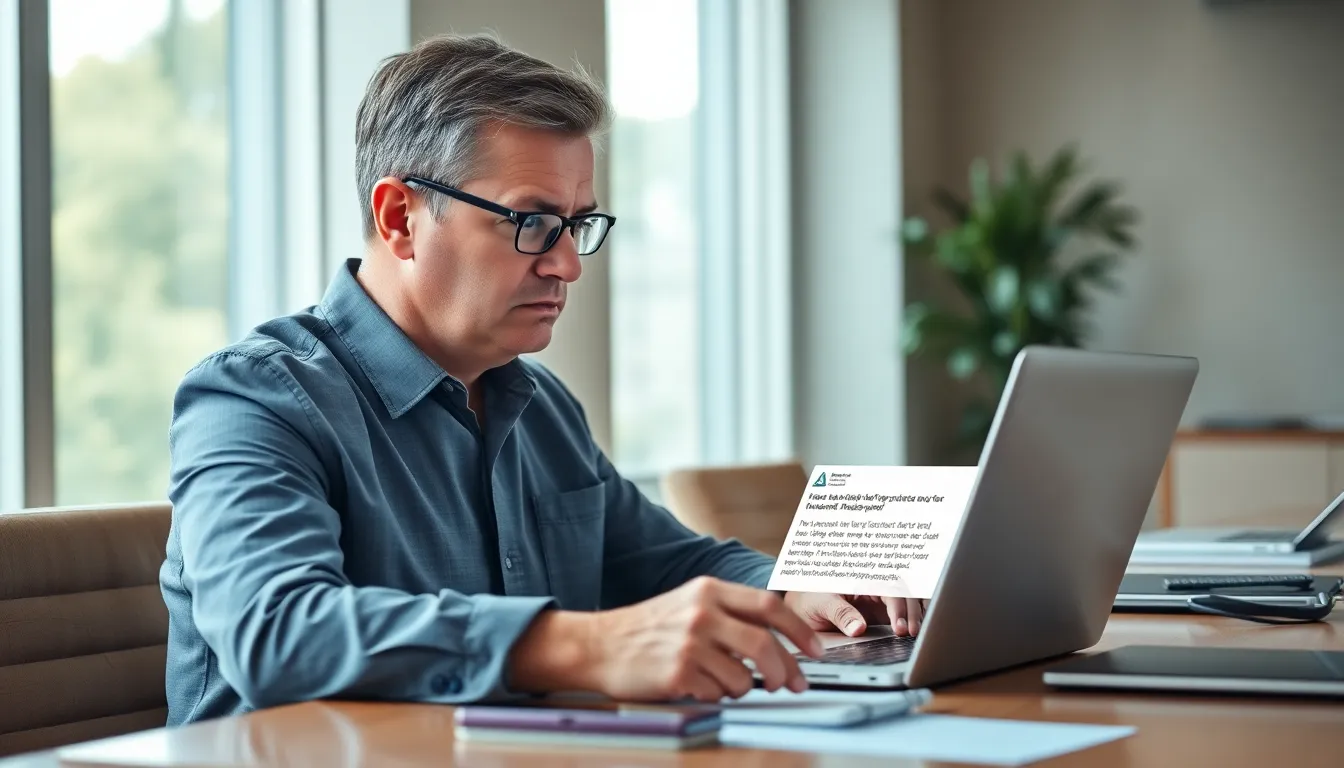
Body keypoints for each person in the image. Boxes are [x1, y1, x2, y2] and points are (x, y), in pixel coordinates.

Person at [159, 33, 925, 726]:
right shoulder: (252, 399)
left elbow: (668, 563)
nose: (566, 265)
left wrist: (795, 591)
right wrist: (580, 645)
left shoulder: (538, 403)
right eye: (531, 222)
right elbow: (278, 632)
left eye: (577, 224)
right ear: (399, 219)